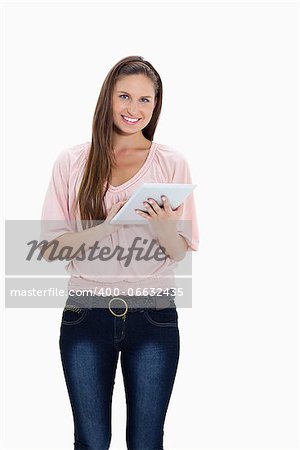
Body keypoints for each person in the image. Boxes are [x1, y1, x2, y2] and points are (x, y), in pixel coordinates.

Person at [40, 55, 199, 450]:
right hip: (85, 316)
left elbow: (179, 250)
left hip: (154, 317)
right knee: (91, 442)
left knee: (146, 442)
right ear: (108, 98)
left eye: (146, 100)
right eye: (125, 96)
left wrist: (163, 227)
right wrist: (107, 225)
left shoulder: (172, 163)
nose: (134, 109)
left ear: (156, 105)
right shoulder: (73, 162)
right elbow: (51, 248)